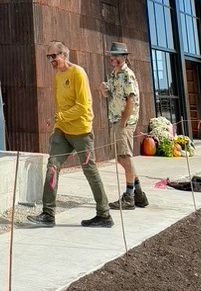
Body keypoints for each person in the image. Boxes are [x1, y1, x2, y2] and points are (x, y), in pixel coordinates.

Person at [27, 42, 113, 228]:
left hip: (81, 131)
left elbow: (83, 107)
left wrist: (59, 117)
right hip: (62, 130)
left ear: (63, 55)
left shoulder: (78, 73)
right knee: (52, 166)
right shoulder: (58, 76)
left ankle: (104, 214)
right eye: (48, 57)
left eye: (53, 56)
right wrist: (56, 123)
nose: (50, 60)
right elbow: (61, 105)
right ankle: (48, 214)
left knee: (90, 170)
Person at [101, 41, 148, 210]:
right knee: (121, 157)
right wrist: (103, 90)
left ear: (123, 57)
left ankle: (129, 196)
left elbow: (131, 99)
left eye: (115, 55)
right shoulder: (114, 74)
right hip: (115, 120)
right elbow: (111, 95)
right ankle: (139, 193)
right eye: (111, 55)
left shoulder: (128, 75)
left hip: (124, 122)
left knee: (124, 157)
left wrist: (123, 122)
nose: (111, 58)